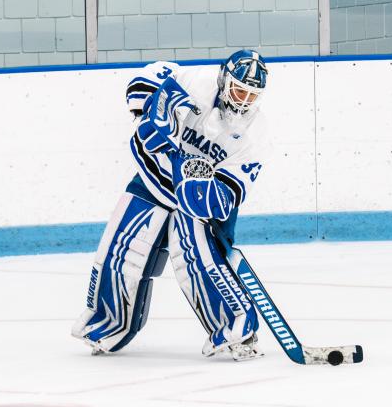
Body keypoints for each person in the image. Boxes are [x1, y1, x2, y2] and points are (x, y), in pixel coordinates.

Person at [70, 51, 269, 361]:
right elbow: (143, 86)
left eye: (251, 95)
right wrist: (150, 112)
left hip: (196, 202)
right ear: (224, 78)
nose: (243, 100)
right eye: (239, 90)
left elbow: (231, 191)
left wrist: (204, 192)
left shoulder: (253, 133)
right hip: (155, 178)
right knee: (120, 251)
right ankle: (106, 324)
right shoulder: (195, 83)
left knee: (198, 261)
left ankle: (238, 330)